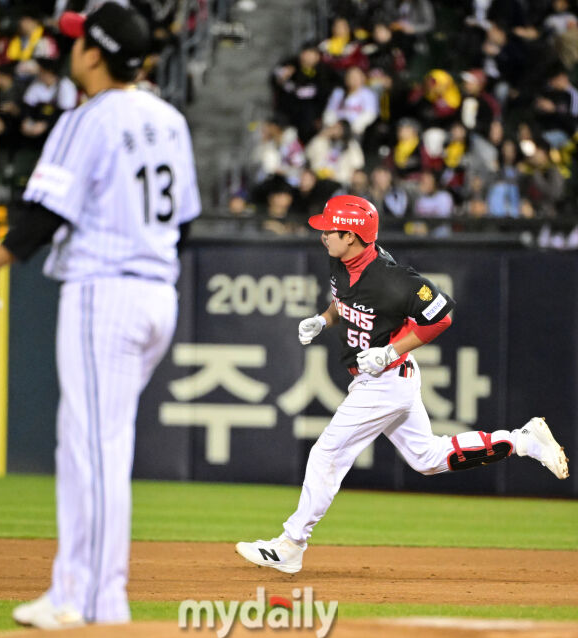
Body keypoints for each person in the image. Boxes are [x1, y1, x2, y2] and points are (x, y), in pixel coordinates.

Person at [0, 2, 200, 627]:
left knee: (95, 447)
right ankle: (74, 588)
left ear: (93, 53)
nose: (70, 49)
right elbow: (185, 224)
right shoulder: (169, 119)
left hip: (105, 293)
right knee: (84, 442)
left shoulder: (88, 117)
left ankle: (95, 602)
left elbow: (44, 216)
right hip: (157, 295)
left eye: (77, 41)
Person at [235, 194, 569, 574]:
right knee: (427, 459)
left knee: (327, 453)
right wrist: (324, 319)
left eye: (330, 229)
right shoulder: (341, 260)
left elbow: (441, 316)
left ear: (352, 235)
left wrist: (390, 351)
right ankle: (523, 441)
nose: (323, 234)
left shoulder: (392, 278)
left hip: (385, 380)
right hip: (385, 379)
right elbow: (343, 300)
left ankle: (291, 544)